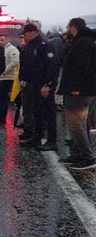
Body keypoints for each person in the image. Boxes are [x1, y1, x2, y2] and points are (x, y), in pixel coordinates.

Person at [57, 18, 96, 169]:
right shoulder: (85, 41)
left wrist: (75, 87)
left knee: (75, 124)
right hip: (85, 89)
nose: (67, 30)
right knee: (82, 123)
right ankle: (78, 153)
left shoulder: (82, 43)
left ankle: (87, 156)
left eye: (68, 27)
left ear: (73, 28)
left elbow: (80, 66)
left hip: (80, 91)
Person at [18, 23, 60, 151]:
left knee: (48, 113)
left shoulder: (45, 45)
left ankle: (52, 141)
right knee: (37, 113)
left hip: (44, 85)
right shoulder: (30, 46)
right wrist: (24, 79)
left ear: (32, 33)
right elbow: (26, 65)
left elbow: (52, 66)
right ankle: (36, 138)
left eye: (25, 34)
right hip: (33, 84)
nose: (23, 37)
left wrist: (48, 84)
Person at [0, 34, 20, 124]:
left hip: (7, 77)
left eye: (2, 40)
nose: (0, 42)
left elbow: (15, 62)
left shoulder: (12, 50)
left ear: (7, 40)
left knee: (2, 97)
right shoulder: (0, 50)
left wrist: (4, 71)